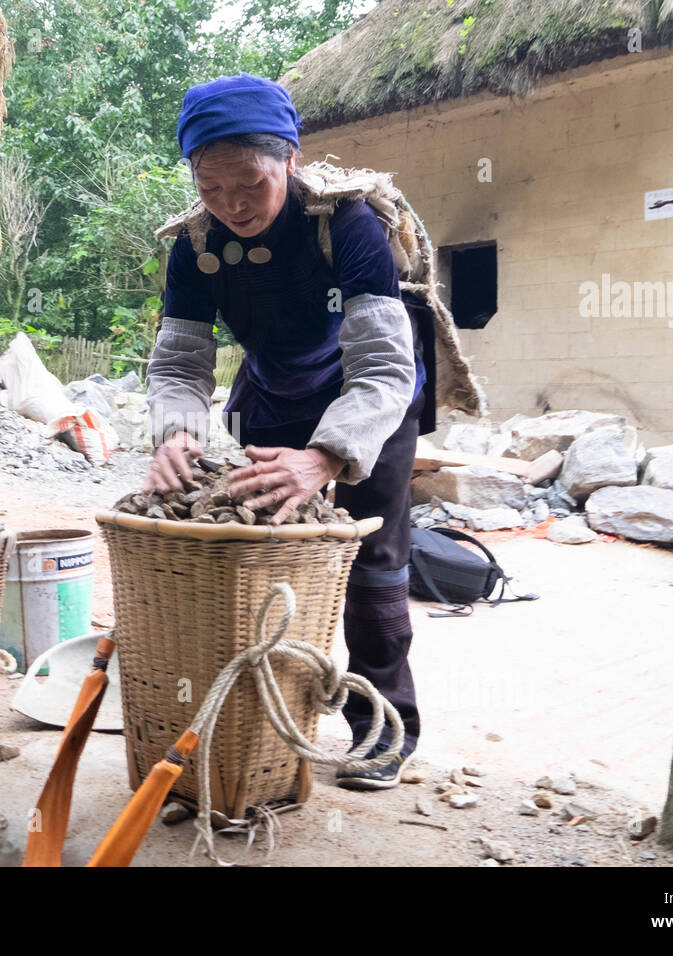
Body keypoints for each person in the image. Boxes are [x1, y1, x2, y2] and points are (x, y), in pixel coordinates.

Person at [145, 73, 435, 790]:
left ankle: (382, 730)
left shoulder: (349, 227)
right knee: (258, 561)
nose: (234, 206)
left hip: (367, 403)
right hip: (272, 397)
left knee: (371, 563)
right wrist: (176, 434)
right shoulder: (196, 248)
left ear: (291, 162)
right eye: (213, 190)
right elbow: (180, 362)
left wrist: (327, 458)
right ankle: (258, 720)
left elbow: (382, 367)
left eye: (252, 185)